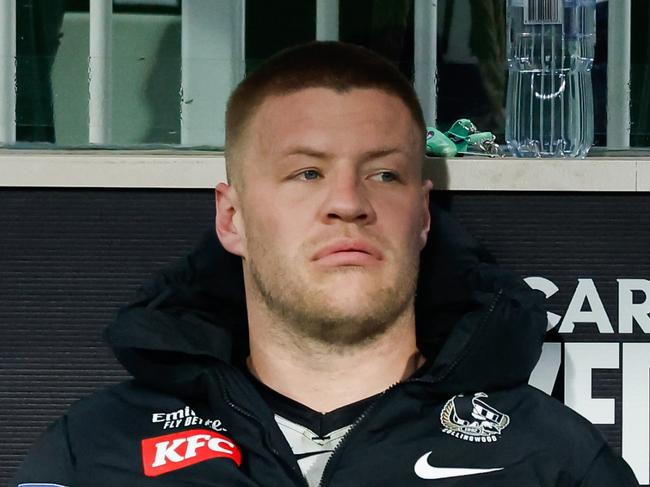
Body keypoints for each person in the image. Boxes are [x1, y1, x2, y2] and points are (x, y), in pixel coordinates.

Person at [12, 41, 638, 486]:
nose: (347, 203)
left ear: (422, 217)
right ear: (232, 218)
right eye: (307, 172)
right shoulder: (96, 450)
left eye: (384, 173)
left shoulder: (550, 457)